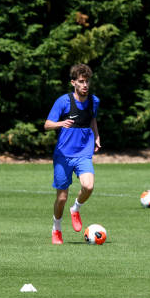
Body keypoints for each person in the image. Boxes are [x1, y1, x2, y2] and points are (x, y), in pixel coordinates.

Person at [44, 64, 101, 244]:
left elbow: (92, 119)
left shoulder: (94, 101)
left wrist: (97, 137)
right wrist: (61, 123)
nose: (85, 85)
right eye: (81, 82)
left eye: (87, 81)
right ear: (73, 83)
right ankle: (56, 229)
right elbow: (47, 125)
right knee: (61, 198)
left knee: (89, 186)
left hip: (83, 152)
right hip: (63, 155)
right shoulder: (63, 101)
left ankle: (75, 209)